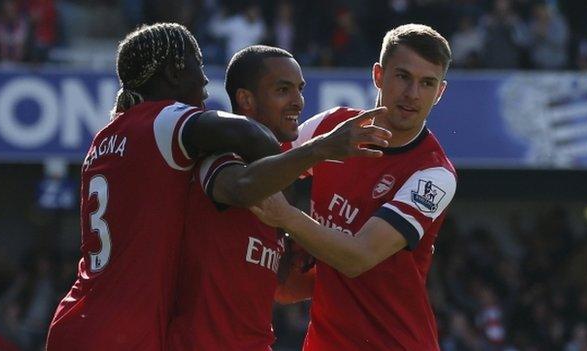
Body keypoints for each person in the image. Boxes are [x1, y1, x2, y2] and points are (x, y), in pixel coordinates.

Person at [46, 24, 390, 350]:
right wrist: (316, 151)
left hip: (83, 315)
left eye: (299, 89)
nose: (205, 79)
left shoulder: (108, 138)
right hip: (126, 330)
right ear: (174, 74)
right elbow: (245, 149)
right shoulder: (176, 129)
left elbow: (274, 283)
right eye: (197, 64)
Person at [167, 45, 391, 351]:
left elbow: (281, 289)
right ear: (246, 99)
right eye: (283, 90)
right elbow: (244, 186)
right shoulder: (218, 159)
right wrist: (320, 148)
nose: (298, 102)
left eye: (299, 89)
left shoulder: (280, 178)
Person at [251, 24, 458, 350]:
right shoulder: (332, 126)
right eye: (403, 76)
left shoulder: (435, 175)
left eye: (427, 83)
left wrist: (286, 218)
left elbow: (358, 257)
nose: (412, 94)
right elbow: (264, 171)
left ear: (440, 92)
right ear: (378, 74)